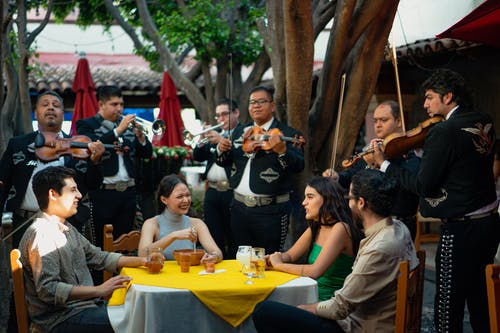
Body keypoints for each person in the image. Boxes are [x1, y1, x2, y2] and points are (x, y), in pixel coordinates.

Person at [373, 68, 500, 332]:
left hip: (460, 228)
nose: (425, 104)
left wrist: (385, 164)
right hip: (489, 224)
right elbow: (461, 164)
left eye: (430, 97)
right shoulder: (482, 121)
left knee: (447, 304)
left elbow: (422, 185)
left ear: (449, 97)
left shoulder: (443, 131)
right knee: (481, 298)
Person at [252, 169, 418, 332]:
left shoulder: (379, 247)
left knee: (263, 311)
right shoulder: (398, 228)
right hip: (361, 316)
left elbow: (339, 308)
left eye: (350, 197)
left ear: (361, 203)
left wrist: (308, 308)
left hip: (358, 325)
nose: (347, 203)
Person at [19, 166, 152, 333]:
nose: (79, 195)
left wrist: (143, 261)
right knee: (139, 321)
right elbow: (48, 290)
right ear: (53, 194)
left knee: (140, 312)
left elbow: (99, 257)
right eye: (73, 190)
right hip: (59, 319)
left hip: (84, 309)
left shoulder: (64, 226)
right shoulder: (42, 234)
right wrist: (98, 290)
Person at [0, 91, 105, 247]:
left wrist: (95, 163)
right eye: (45, 104)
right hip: (25, 222)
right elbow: (2, 182)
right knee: (25, 269)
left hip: (68, 224)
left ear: (63, 114)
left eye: (56, 106)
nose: (50, 108)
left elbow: (93, 184)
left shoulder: (78, 147)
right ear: (36, 113)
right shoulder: (18, 144)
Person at [217, 86, 305, 254]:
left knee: (269, 260)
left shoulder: (288, 134)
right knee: (240, 258)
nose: (256, 106)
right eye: (252, 102)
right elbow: (224, 162)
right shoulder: (239, 131)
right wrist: (221, 150)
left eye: (261, 101)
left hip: (271, 211)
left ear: (272, 106)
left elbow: (299, 166)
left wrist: (282, 152)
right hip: (238, 208)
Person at [323, 100, 420, 240]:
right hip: (369, 224)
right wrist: (338, 176)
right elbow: (353, 173)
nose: (378, 125)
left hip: (399, 225)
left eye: (384, 120)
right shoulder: (372, 150)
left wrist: (380, 164)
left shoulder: (409, 153)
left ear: (399, 121)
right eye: (375, 121)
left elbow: (403, 185)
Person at [76, 85, 153, 247]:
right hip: (103, 194)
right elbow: (91, 145)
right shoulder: (87, 124)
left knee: (125, 243)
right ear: (101, 105)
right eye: (114, 104)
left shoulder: (128, 128)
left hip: (128, 194)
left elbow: (145, 153)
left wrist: (141, 138)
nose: (119, 108)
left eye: (121, 104)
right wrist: (118, 130)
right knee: (101, 244)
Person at [266, 177, 363, 301]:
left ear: (328, 199)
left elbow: (314, 271)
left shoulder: (341, 229)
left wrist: (278, 265)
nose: (304, 203)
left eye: (310, 197)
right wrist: (270, 259)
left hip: (329, 303)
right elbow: (290, 255)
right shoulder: (317, 226)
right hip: (309, 296)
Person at [193, 98, 242, 258]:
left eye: (224, 114)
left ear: (236, 113)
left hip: (232, 191)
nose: (220, 119)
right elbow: (198, 156)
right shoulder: (214, 135)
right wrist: (201, 139)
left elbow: (241, 157)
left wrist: (221, 140)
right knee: (213, 235)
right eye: (218, 116)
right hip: (212, 191)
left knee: (234, 235)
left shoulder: (244, 133)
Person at [138, 174, 223, 263]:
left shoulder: (197, 223)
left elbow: (217, 252)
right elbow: (142, 254)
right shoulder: (152, 224)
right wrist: (173, 236)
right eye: (179, 197)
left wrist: (214, 257)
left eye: (187, 195)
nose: (186, 200)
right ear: (164, 200)